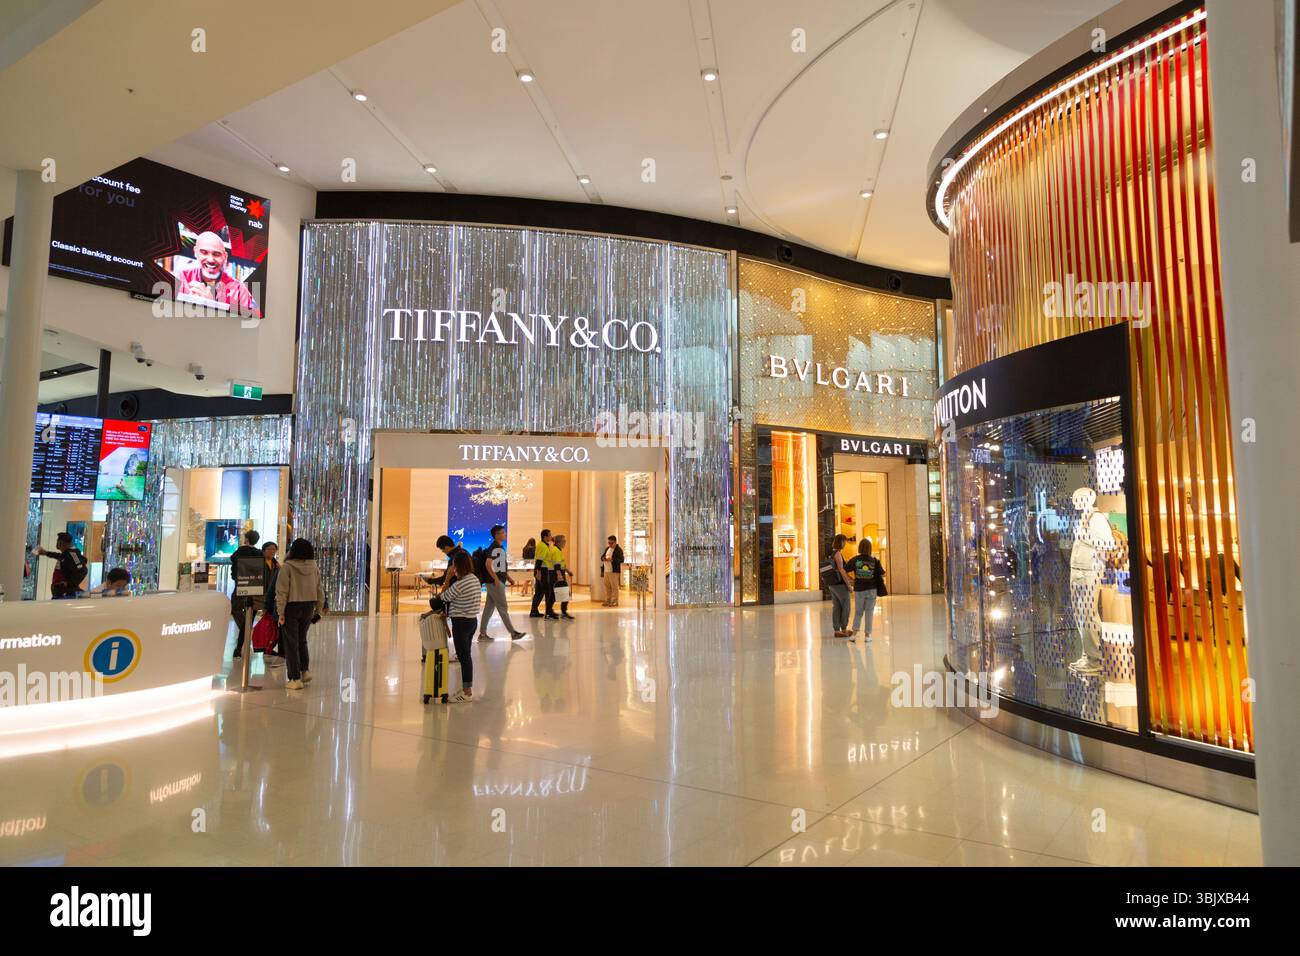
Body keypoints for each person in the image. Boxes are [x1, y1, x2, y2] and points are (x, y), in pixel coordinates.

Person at [173, 230, 262, 318]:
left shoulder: (239, 290)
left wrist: (211, 305)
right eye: (204, 252)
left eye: (216, 254)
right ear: (195, 252)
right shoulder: (181, 278)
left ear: (225, 257)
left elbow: (244, 325)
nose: (211, 260)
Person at [274, 538, 325, 690]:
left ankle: (294, 678)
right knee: (301, 639)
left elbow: (281, 591)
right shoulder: (314, 567)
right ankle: (305, 670)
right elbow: (319, 589)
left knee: (291, 642)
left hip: (292, 606)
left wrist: (280, 612)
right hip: (309, 605)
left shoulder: (287, 567)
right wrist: (319, 610)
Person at [442, 550, 482, 703]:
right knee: (465, 655)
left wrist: (447, 579)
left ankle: (467, 692)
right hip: (471, 621)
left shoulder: (460, 583)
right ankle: (466, 688)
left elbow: (442, 598)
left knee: (464, 657)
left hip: (461, 623)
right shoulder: (474, 579)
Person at [478, 525, 527, 641]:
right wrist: (495, 578)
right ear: (497, 535)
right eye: (502, 532)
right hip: (495, 582)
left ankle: (482, 634)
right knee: (502, 607)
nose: (505, 534)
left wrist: (508, 578)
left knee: (489, 609)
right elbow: (488, 564)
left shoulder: (499, 547)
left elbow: (499, 566)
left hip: (496, 581)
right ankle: (513, 633)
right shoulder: (494, 547)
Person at [229, 529, 262, 659]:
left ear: (246, 539)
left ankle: (247, 627)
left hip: (241, 584)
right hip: (255, 586)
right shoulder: (259, 553)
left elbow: (234, 568)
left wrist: (235, 577)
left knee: (235, 608)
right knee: (250, 610)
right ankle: (247, 627)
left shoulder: (240, 552)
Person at [31, 533, 88, 599]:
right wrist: (46, 553)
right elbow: (60, 556)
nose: (57, 543)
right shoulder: (66, 554)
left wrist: (69, 583)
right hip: (60, 592)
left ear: (61, 543)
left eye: (57, 541)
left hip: (65, 594)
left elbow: (83, 570)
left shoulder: (72, 554)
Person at [848, 539, 883, 641]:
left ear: (859, 547)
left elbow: (844, 570)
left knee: (858, 612)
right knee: (869, 612)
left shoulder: (855, 560)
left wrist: (851, 580)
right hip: (872, 589)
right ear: (870, 548)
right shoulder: (874, 560)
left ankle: (854, 634)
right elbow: (882, 573)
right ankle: (868, 636)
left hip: (859, 589)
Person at [261, 542, 284, 667]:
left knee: (272, 627)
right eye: (269, 549)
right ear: (263, 550)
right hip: (262, 595)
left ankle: (267, 648)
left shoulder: (277, 565)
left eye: (274, 549)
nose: (272, 552)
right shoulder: (259, 563)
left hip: (271, 597)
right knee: (266, 625)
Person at [825, 534, 853, 637]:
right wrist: (849, 585)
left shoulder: (830, 553)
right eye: (844, 541)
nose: (845, 543)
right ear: (841, 542)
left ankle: (837, 630)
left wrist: (850, 578)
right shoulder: (837, 554)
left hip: (832, 584)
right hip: (840, 585)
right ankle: (844, 629)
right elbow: (841, 570)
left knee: (836, 607)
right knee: (846, 606)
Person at [528, 529, 555, 619]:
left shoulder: (543, 545)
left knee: (539, 592)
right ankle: (548, 612)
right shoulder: (543, 546)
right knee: (548, 592)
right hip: (542, 571)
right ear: (545, 537)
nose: (551, 537)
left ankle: (534, 611)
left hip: (541, 570)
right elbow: (539, 561)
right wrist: (538, 573)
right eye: (550, 535)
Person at [551, 534, 574, 620]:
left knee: (556, 594)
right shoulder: (556, 550)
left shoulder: (557, 550)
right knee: (564, 593)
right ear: (559, 542)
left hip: (559, 573)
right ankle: (561, 612)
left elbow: (561, 563)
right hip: (557, 574)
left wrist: (567, 571)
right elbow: (556, 564)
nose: (565, 543)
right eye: (564, 541)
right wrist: (559, 575)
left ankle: (550, 611)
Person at [600, 535, 624, 607]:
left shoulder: (619, 550)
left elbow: (621, 560)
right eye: (609, 543)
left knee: (614, 587)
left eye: (611, 543)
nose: (610, 544)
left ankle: (615, 601)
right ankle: (608, 600)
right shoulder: (607, 548)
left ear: (615, 542)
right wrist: (603, 558)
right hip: (606, 570)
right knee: (607, 586)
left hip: (613, 571)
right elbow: (602, 556)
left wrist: (612, 560)